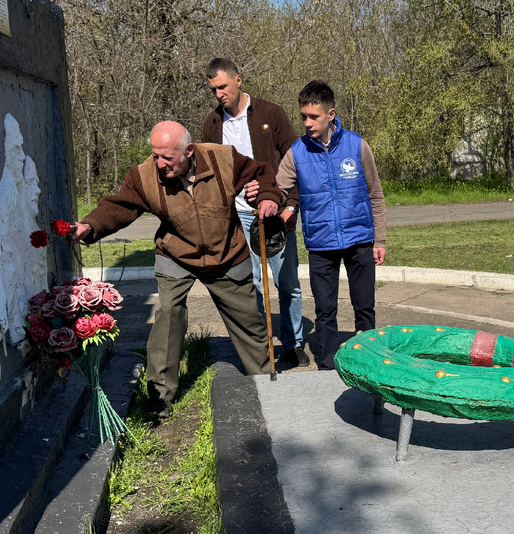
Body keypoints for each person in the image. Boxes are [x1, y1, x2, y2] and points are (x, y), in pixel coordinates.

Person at [71, 121, 284, 418]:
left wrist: (267, 198)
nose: (160, 163)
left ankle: (265, 380)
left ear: (189, 151)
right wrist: (89, 226)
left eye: (167, 157)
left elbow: (260, 173)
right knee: (169, 315)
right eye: (155, 155)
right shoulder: (144, 175)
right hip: (176, 253)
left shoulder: (223, 158)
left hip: (227, 252)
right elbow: (119, 206)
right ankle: (159, 395)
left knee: (248, 320)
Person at [201, 58, 310, 369]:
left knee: (286, 280)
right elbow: (213, 173)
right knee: (253, 284)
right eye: (213, 89)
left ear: (238, 80)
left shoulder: (270, 113)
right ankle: (262, 347)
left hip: (274, 211)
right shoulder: (212, 123)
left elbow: (295, 160)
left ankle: (294, 342)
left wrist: (292, 205)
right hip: (237, 214)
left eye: (222, 86)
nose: (219, 93)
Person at [271, 80, 387, 370]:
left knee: (364, 307)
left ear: (331, 114)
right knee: (325, 310)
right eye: (303, 117)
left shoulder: (357, 145)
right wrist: (265, 198)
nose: (307, 123)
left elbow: (375, 193)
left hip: (360, 239)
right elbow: (277, 190)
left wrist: (380, 239)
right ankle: (328, 365)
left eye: (314, 117)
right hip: (321, 244)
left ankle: (367, 362)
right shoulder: (297, 153)